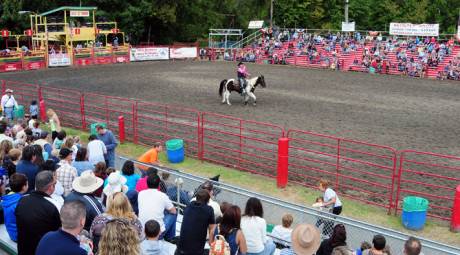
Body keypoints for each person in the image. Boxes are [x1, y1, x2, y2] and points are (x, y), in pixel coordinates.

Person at [15, 171, 61, 255]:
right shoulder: (54, 205)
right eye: (55, 184)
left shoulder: (22, 200)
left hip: (23, 250)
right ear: (51, 187)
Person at [175, 189, 216, 255]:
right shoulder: (209, 209)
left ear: (196, 198)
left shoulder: (189, 205)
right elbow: (212, 228)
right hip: (195, 252)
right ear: (208, 201)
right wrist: (211, 244)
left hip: (180, 250)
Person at [138, 174, 177, 240]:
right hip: (156, 234)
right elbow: (173, 211)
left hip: (143, 231)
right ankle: (170, 238)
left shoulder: (140, 193)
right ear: (159, 184)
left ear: (147, 184)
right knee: (174, 214)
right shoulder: (163, 196)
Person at [2, 173, 28, 242]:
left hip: (11, 233)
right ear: (24, 187)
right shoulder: (21, 202)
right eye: (27, 184)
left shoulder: (8, 198)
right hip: (19, 236)